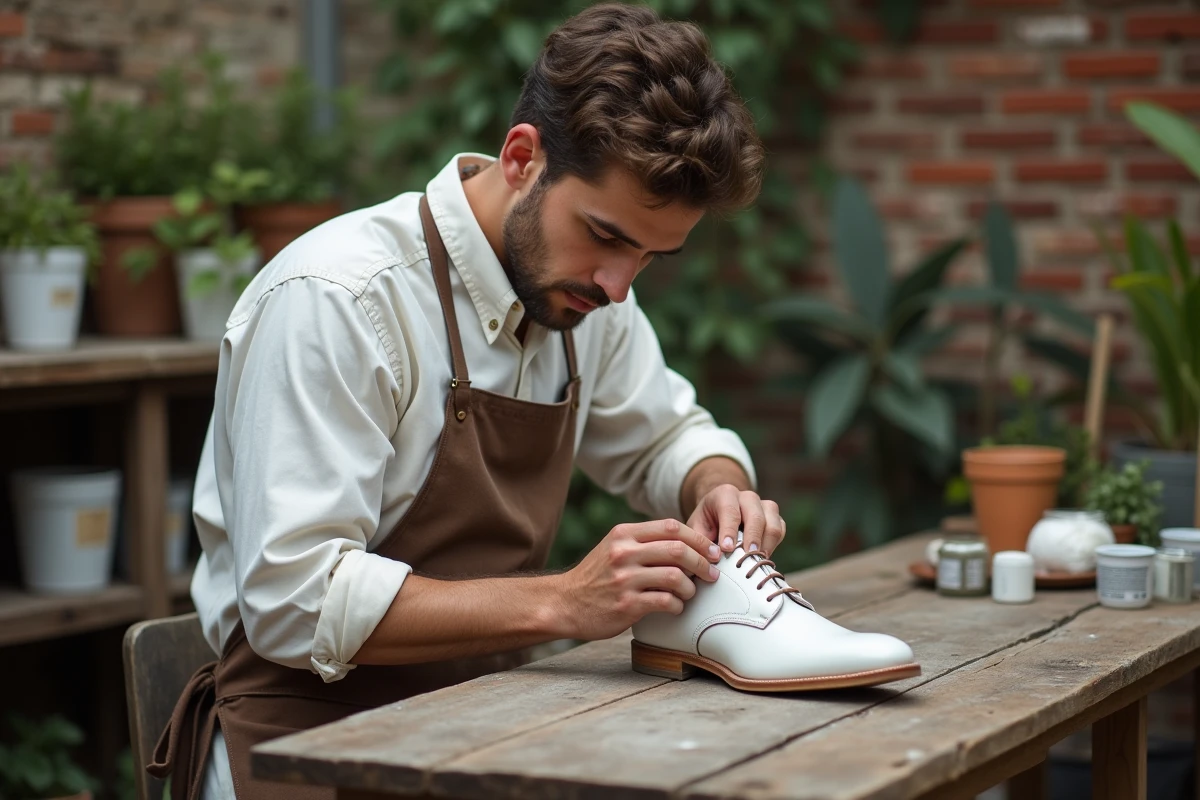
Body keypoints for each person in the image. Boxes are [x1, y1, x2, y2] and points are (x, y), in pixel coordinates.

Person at [149, 5, 782, 799]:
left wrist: (718, 487)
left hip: (487, 734)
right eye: (607, 235)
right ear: (523, 158)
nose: (621, 286)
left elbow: (668, 437)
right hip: (302, 747)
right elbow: (295, 600)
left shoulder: (586, 300)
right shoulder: (338, 300)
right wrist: (564, 601)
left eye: (653, 256)